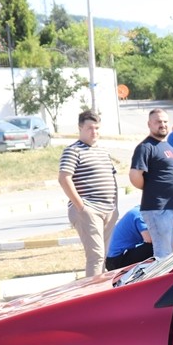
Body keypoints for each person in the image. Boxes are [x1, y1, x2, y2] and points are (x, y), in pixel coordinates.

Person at [58, 110, 119, 277]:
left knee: (103, 256)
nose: (94, 132)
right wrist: (81, 207)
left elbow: (112, 178)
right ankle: (92, 297)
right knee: (96, 256)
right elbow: (64, 178)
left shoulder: (103, 151)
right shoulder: (73, 151)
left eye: (97, 128)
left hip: (108, 210)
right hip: (89, 209)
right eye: (90, 128)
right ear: (80, 128)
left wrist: (115, 207)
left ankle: (101, 293)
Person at [129, 108, 173, 259]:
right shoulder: (145, 147)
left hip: (171, 208)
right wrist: (152, 190)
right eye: (158, 121)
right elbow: (135, 176)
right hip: (157, 208)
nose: (162, 124)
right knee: (163, 254)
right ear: (149, 124)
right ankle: (162, 283)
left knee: (169, 254)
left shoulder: (167, 146)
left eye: (165, 121)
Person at [105, 205, 153, 271]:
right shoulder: (140, 215)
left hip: (114, 258)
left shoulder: (139, 210)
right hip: (117, 261)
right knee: (153, 247)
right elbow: (149, 240)